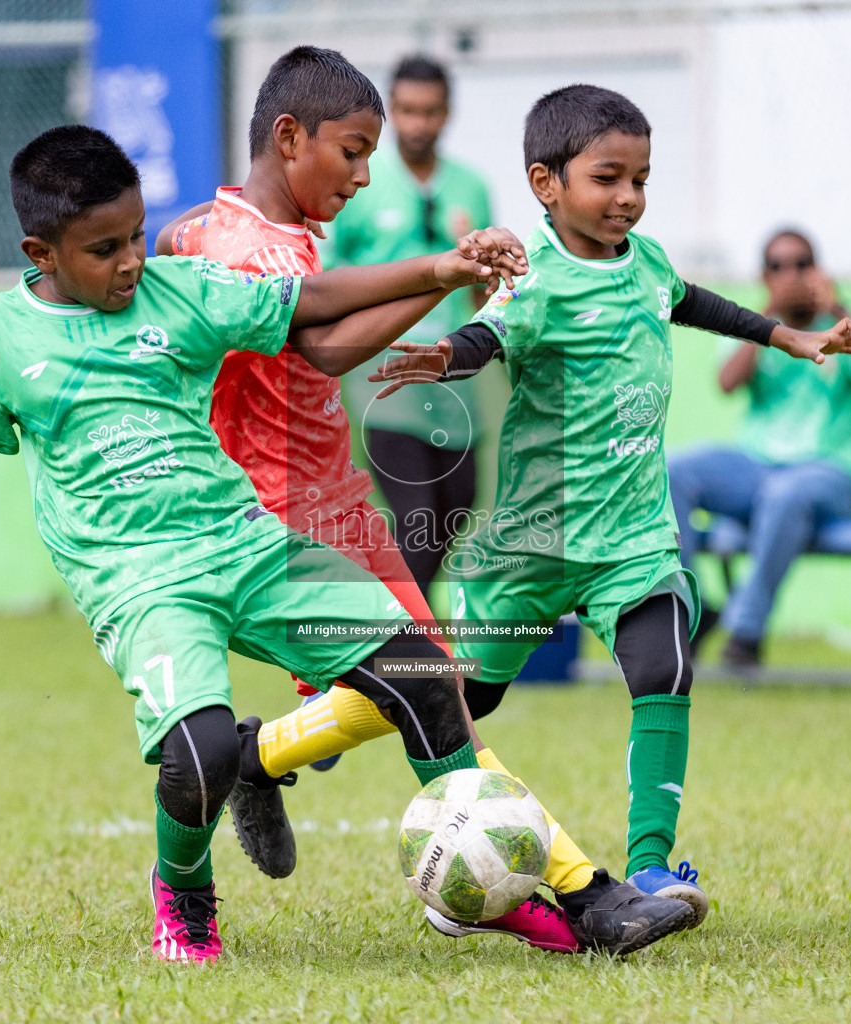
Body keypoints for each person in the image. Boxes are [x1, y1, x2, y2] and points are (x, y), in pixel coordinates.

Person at [0, 123, 533, 966]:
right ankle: (181, 893)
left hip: (244, 542)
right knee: (203, 751)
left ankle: (489, 882)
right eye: (104, 249)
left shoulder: (181, 292)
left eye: (139, 235)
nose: (132, 260)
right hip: (138, 580)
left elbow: (313, 304)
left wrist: (441, 268)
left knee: (422, 669)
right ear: (43, 250)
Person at [159, 46, 693, 958]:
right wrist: (443, 275)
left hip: (339, 501)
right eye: (353, 153)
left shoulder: (224, 227)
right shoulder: (250, 249)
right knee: (429, 691)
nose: (367, 177)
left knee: (426, 688)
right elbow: (322, 348)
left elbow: (184, 243)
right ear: (290, 139)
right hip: (279, 523)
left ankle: (262, 760)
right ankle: (579, 894)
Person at [369, 85, 851, 903]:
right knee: (449, 695)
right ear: (547, 183)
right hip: (535, 541)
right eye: (608, 178)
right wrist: (442, 358)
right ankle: (266, 754)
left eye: (641, 180)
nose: (629, 198)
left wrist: (789, 336)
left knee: (664, 664)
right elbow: (488, 331)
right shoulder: (535, 273)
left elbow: (690, 302)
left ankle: (649, 864)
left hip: (632, 539)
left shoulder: (645, 262)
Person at [665, 231, 851, 668]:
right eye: (778, 266)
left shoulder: (841, 323)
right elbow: (727, 382)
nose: (790, 274)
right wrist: (768, 318)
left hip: (829, 471)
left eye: (802, 263)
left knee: (785, 494)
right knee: (672, 470)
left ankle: (745, 633)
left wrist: (837, 308)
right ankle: (692, 611)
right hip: (757, 466)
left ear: (818, 269)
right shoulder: (759, 324)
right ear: (764, 276)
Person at [327, 54, 493, 595]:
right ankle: (390, 647)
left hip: (453, 375)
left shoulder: (471, 187)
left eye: (431, 111)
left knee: (454, 510)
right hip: (386, 372)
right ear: (391, 112)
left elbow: (479, 291)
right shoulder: (360, 183)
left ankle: (386, 634)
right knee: (418, 517)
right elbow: (328, 280)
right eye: (408, 110)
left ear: (447, 114)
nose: (419, 123)